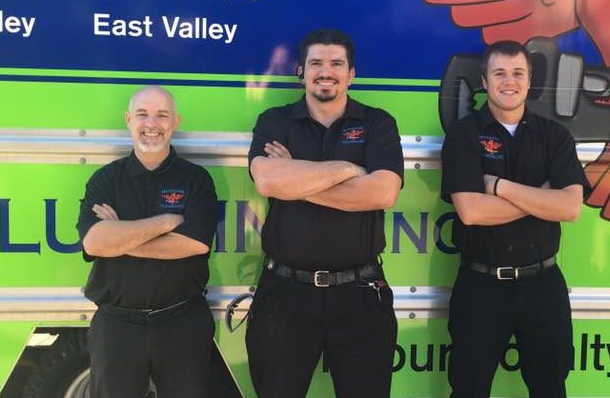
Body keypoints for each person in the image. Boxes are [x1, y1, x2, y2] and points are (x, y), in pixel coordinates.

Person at [246, 29, 404, 397]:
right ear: (301, 71)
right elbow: (269, 182)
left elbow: (383, 192)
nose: (325, 71)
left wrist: (297, 180)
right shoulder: (275, 121)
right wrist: (351, 170)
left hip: (360, 294)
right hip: (285, 293)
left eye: (336, 63)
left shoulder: (378, 123)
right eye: (316, 63)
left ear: (352, 74)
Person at [440, 41, 590, 398]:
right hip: (480, 286)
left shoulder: (554, 136)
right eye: (500, 73)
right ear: (484, 81)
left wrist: (501, 187)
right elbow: (471, 211)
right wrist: (541, 197)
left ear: (529, 80)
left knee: (550, 388)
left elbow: (570, 208)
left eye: (518, 73)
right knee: (468, 389)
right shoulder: (464, 135)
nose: (510, 81)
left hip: (543, 285)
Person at [76, 85, 218, 398]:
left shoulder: (196, 179)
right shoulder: (105, 180)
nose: (151, 123)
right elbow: (94, 244)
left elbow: (194, 245)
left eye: (161, 115)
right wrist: (165, 223)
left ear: (175, 122)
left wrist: (120, 237)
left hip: (182, 323)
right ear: (128, 119)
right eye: (142, 114)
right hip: (117, 326)